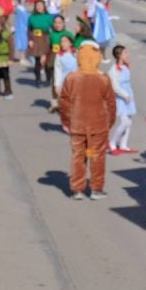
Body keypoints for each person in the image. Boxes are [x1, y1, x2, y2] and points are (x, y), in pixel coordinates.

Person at [58, 41, 116, 200]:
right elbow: (111, 104)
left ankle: (77, 189)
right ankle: (96, 189)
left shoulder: (71, 78)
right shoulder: (103, 79)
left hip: (77, 126)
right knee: (97, 156)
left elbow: (63, 103)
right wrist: (109, 123)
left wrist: (66, 121)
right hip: (98, 126)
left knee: (78, 156)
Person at [107, 45, 136, 154]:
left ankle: (123, 144)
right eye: (125, 53)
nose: (127, 55)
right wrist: (124, 95)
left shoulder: (125, 67)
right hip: (121, 98)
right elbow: (114, 86)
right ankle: (112, 142)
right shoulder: (114, 70)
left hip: (128, 95)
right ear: (119, 55)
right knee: (125, 121)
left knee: (129, 121)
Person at [26, 0, 54, 86]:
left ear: (44, 6)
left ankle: (48, 78)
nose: (39, 7)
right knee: (37, 60)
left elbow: (54, 28)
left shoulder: (49, 17)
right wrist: (30, 39)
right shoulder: (31, 17)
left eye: (41, 5)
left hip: (46, 38)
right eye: (37, 5)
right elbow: (29, 29)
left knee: (47, 60)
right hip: (36, 39)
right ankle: (37, 79)